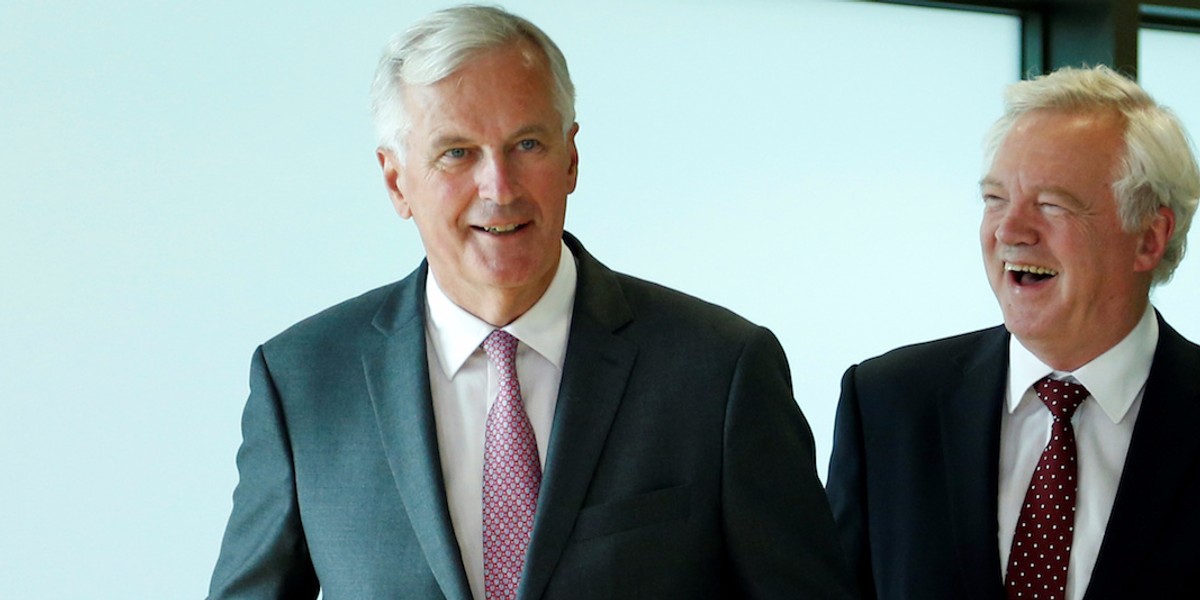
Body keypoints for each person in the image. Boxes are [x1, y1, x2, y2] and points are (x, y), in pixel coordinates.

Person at [207, 5, 853, 599]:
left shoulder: (720, 371)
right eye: (457, 153)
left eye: (527, 145)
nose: (500, 186)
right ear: (396, 181)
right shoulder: (303, 382)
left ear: (571, 157)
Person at [825, 64, 1200, 600]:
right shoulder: (888, 403)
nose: (1009, 231)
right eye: (995, 199)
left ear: (1149, 238)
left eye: (1052, 204)